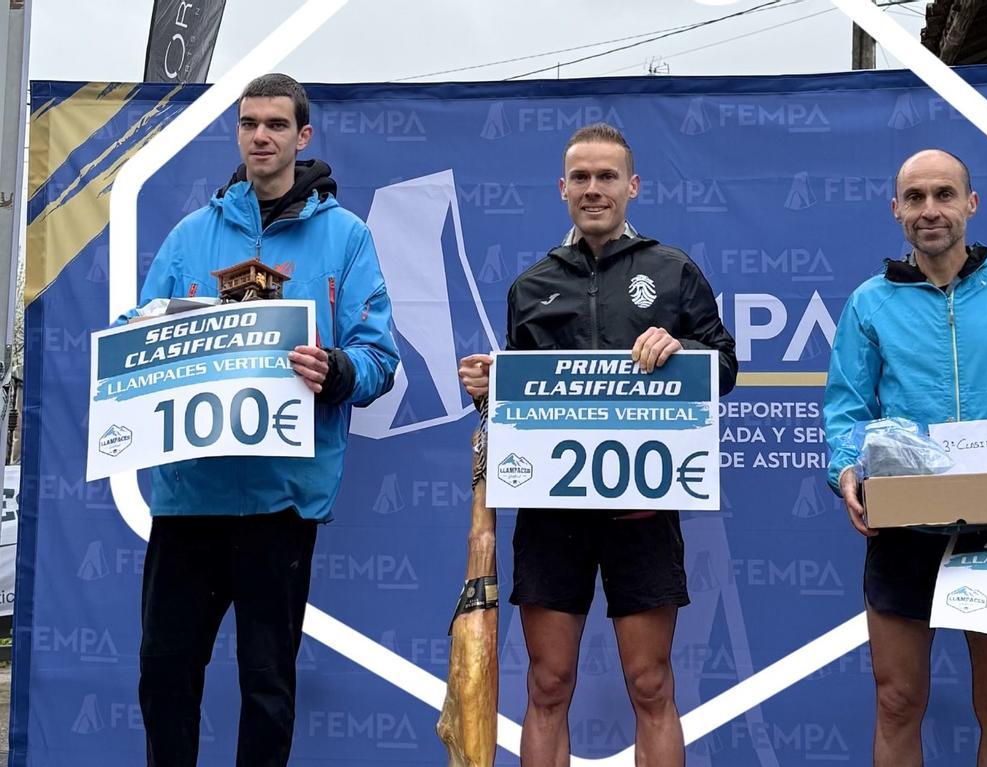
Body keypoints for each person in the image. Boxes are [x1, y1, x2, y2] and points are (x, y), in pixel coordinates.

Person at [121, 73, 400, 766]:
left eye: (276, 124)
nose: (261, 135)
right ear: (237, 132)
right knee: (163, 678)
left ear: (303, 136)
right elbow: (137, 333)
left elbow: (380, 356)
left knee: (267, 688)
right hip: (190, 498)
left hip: (280, 502)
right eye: (249, 123)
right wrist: (143, 340)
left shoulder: (347, 238)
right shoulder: (192, 236)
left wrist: (337, 371)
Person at [458, 123, 737, 767]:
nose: (593, 189)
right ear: (562, 190)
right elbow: (518, 408)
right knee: (547, 685)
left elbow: (723, 369)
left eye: (606, 177)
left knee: (651, 684)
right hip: (551, 516)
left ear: (632, 186)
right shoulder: (531, 285)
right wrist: (486, 393)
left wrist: (683, 348)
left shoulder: (673, 271)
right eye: (580, 178)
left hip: (642, 511)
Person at [823, 149, 987, 766]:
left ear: (972, 204)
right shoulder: (869, 303)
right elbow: (847, 409)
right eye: (914, 198)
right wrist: (846, 469)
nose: (930, 210)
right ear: (896, 210)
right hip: (905, 526)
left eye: (944, 194)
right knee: (896, 702)